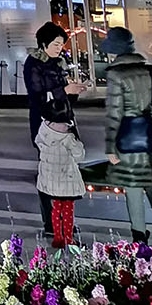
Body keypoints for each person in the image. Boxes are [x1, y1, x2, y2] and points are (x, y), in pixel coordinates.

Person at [101, 26, 152, 250]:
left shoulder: (116, 74)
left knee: (134, 188)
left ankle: (139, 237)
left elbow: (114, 113)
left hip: (128, 135)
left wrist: (110, 146)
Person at [23, 22, 85, 236]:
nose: (59, 48)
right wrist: (63, 90)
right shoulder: (33, 64)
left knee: (66, 169)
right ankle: (51, 224)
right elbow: (38, 96)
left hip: (65, 119)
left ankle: (64, 223)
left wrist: (74, 89)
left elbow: (63, 93)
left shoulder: (58, 63)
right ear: (43, 43)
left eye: (61, 44)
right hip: (45, 123)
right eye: (56, 43)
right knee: (49, 172)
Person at [35, 96, 86, 249]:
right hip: (67, 179)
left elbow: (38, 144)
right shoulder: (68, 137)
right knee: (68, 210)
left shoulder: (43, 130)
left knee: (56, 209)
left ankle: (58, 237)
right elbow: (79, 156)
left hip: (51, 179)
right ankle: (68, 238)